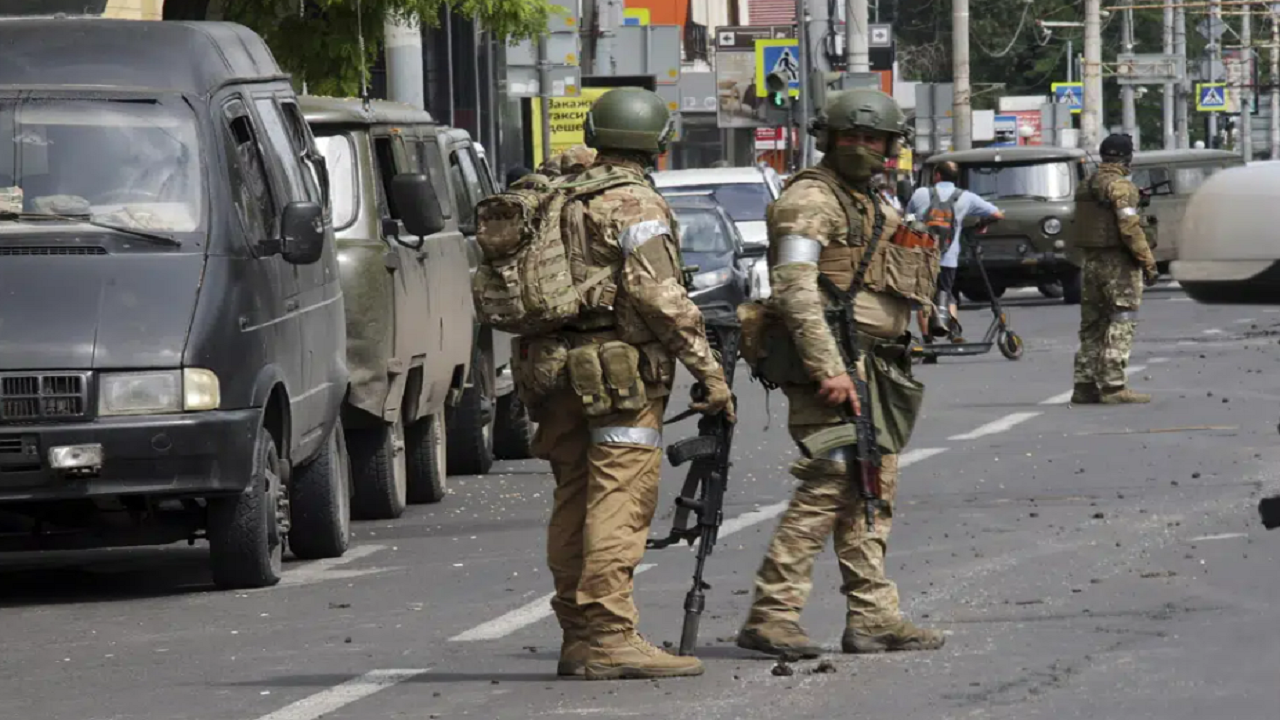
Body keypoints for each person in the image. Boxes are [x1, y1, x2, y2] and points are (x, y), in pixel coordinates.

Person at [519, 88, 734, 680]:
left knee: (573, 495)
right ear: (657, 144)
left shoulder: (557, 194)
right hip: (619, 378)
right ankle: (610, 635)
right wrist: (710, 374)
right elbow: (661, 297)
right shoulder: (635, 204)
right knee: (619, 497)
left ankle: (579, 635)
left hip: (550, 369)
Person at [736, 88, 944, 657]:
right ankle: (771, 614)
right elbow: (795, 288)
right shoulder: (809, 200)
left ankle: (874, 616)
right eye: (850, 136)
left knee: (869, 489)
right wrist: (830, 367)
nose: (861, 146)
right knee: (829, 483)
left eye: (872, 137)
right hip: (833, 366)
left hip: (875, 365)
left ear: (891, 146)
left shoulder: (867, 200)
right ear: (827, 138)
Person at [1069, 133, 1156, 404]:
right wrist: (1148, 262)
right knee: (1122, 320)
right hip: (1117, 264)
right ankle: (1113, 386)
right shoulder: (1121, 187)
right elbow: (1129, 228)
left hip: (1091, 262)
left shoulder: (1086, 184)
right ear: (1127, 158)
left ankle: (1084, 385)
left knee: (1093, 325)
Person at [906, 161, 1003, 346]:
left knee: (923, 298)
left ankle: (928, 340)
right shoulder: (966, 197)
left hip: (922, 255)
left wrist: (915, 221)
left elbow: (907, 217)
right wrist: (981, 225)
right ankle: (953, 332)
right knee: (947, 294)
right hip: (948, 257)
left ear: (937, 176)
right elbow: (997, 214)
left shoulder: (920, 193)